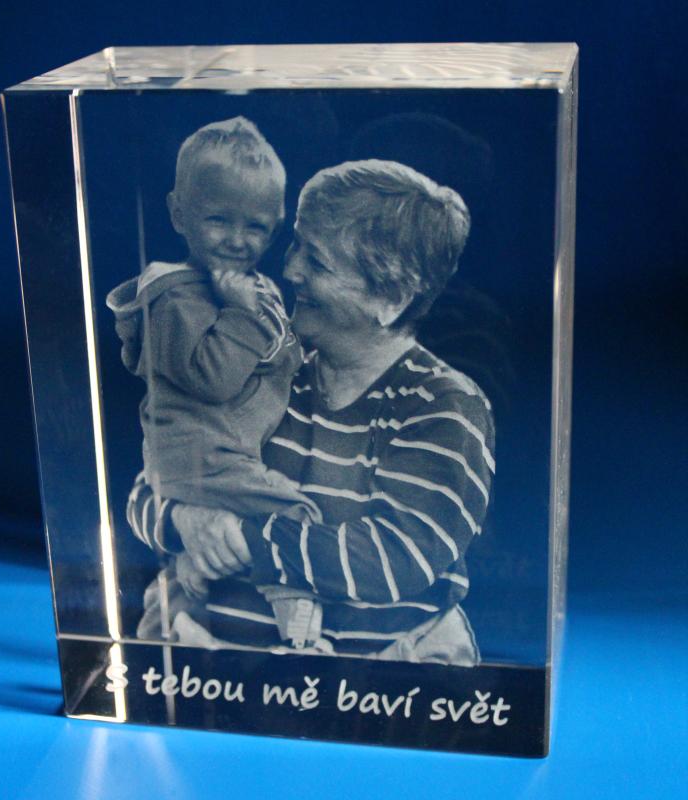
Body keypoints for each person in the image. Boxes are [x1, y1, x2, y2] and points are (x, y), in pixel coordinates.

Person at [128, 159, 495, 665]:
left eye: (317, 263)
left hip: (379, 687)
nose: (290, 269)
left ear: (391, 298)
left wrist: (244, 538)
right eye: (296, 244)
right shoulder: (258, 364)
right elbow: (152, 485)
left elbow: (395, 557)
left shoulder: (444, 406)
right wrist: (185, 519)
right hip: (208, 671)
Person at [106, 117, 323, 648]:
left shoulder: (243, 286)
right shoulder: (174, 299)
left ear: (276, 226)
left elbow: (277, 354)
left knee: (227, 529)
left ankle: (194, 572)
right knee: (297, 514)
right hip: (202, 457)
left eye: (256, 228)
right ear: (179, 214)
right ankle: (291, 603)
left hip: (222, 452)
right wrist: (242, 315)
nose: (237, 240)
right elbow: (214, 379)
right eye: (219, 220)